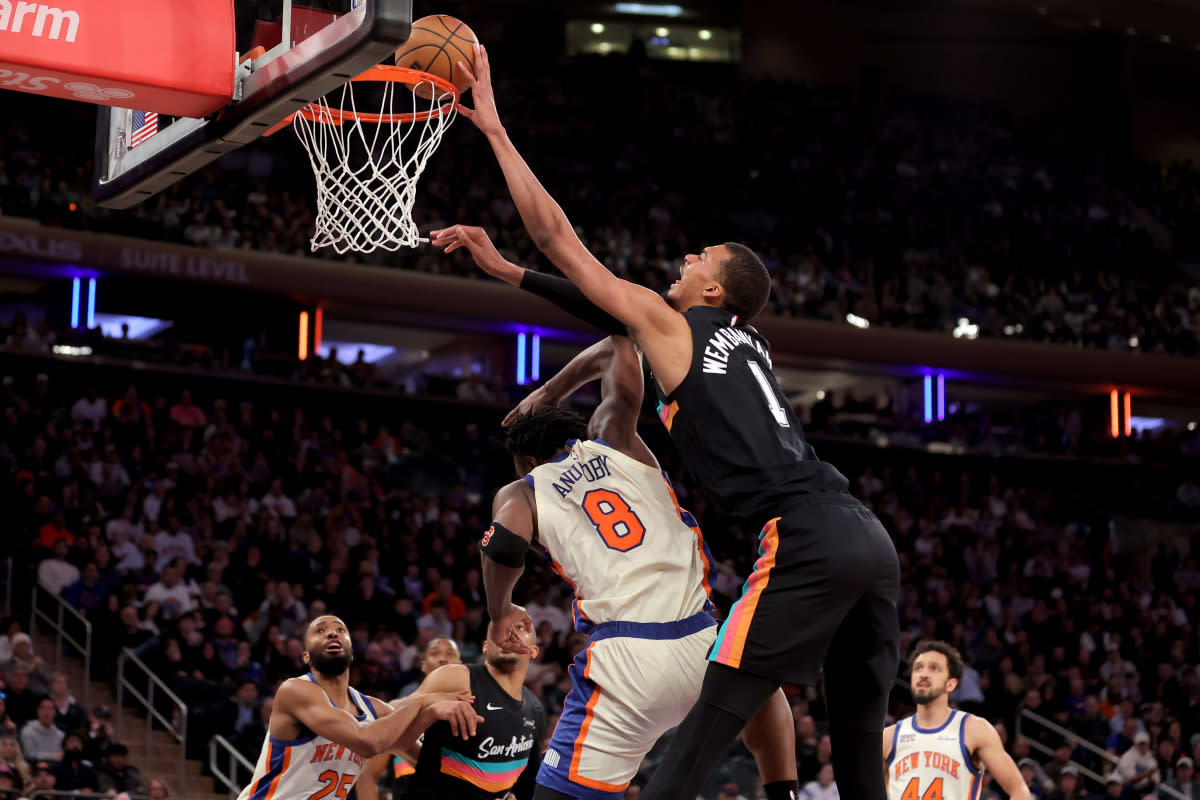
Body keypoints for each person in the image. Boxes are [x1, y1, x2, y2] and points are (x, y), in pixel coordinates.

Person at [433, 42, 899, 800]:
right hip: (869, 537)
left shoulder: (676, 328)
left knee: (699, 742)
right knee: (855, 749)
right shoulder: (745, 343)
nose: (685, 257)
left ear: (716, 293)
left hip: (805, 537)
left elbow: (560, 242)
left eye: (700, 258)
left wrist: (493, 130)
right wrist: (512, 277)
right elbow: (618, 326)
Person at [480, 334, 798, 800]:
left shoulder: (524, 490)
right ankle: (784, 791)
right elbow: (619, 346)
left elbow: (504, 544)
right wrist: (550, 390)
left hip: (626, 660)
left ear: (527, 460)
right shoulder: (617, 440)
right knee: (759, 688)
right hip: (701, 640)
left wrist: (500, 610)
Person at [233, 615, 479, 800]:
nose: (332, 633)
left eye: (340, 629)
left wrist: (490, 785)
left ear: (351, 651)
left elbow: (423, 759)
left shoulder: (374, 709)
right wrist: (421, 701)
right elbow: (366, 742)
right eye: (320, 630)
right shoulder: (295, 690)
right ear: (306, 656)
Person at [400, 627, 545, 800]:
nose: (443, 659)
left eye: (519, 627)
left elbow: (526, 784)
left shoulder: (535, 708)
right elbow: (389, 729)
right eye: (499, 628)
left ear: (534, 651)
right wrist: (431, 711)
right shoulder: (456, 681)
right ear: (485, 646)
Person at [883, 641, 1031, 800]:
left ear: (951, 684)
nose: (923, 674)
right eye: (918, 668)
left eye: (934, 668)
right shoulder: (889, 737)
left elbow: (1019, 790)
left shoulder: (974, 729)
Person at [357, 638, 463, 800]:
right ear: (423, 664)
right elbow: (368, 776)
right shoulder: (395, 708)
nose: (443, 659)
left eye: (450, 654)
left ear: (461, 665)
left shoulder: (478, 709)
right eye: (435, 654)